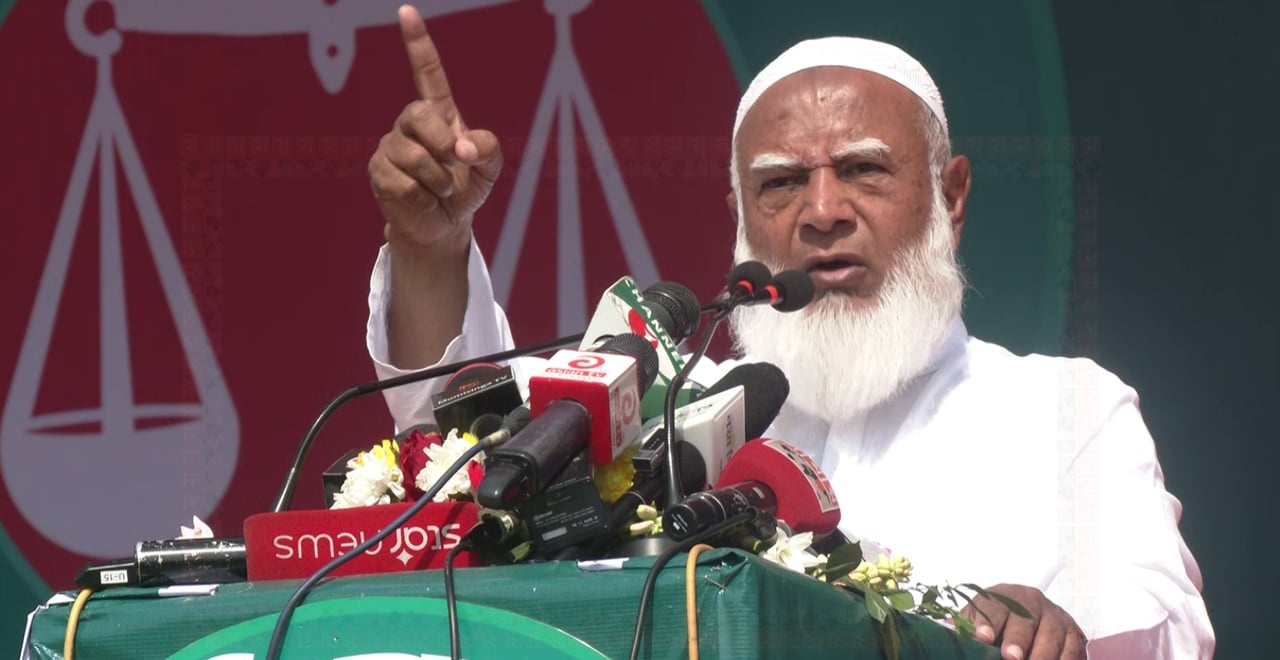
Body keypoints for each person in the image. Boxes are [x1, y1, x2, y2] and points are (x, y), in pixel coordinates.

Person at [365, 6, 1215, 659]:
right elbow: (459, 427)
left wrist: (1056, 627)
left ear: (951, 197)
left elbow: (1164, 620)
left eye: (863, 170)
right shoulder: (664, 413)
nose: (822, 211)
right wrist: (430, 245)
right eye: (780, 184)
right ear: (739, 217)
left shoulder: (1062, 405)